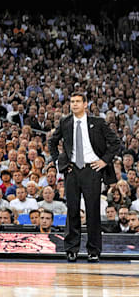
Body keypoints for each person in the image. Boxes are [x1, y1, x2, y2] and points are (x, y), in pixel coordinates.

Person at [49, 91, 122, 263]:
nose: (74, 104)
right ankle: (71, 249)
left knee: (93, 211)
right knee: (72, 210)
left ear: (85, 104)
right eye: (72, 101)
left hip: (92, 170)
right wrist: (59, 161)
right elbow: (52, 142)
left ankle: (93, 250)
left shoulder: (98, 122)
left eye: (77, 101)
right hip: (72, 170)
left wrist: (104, 161)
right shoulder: (65, 122)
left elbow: (116, 143)